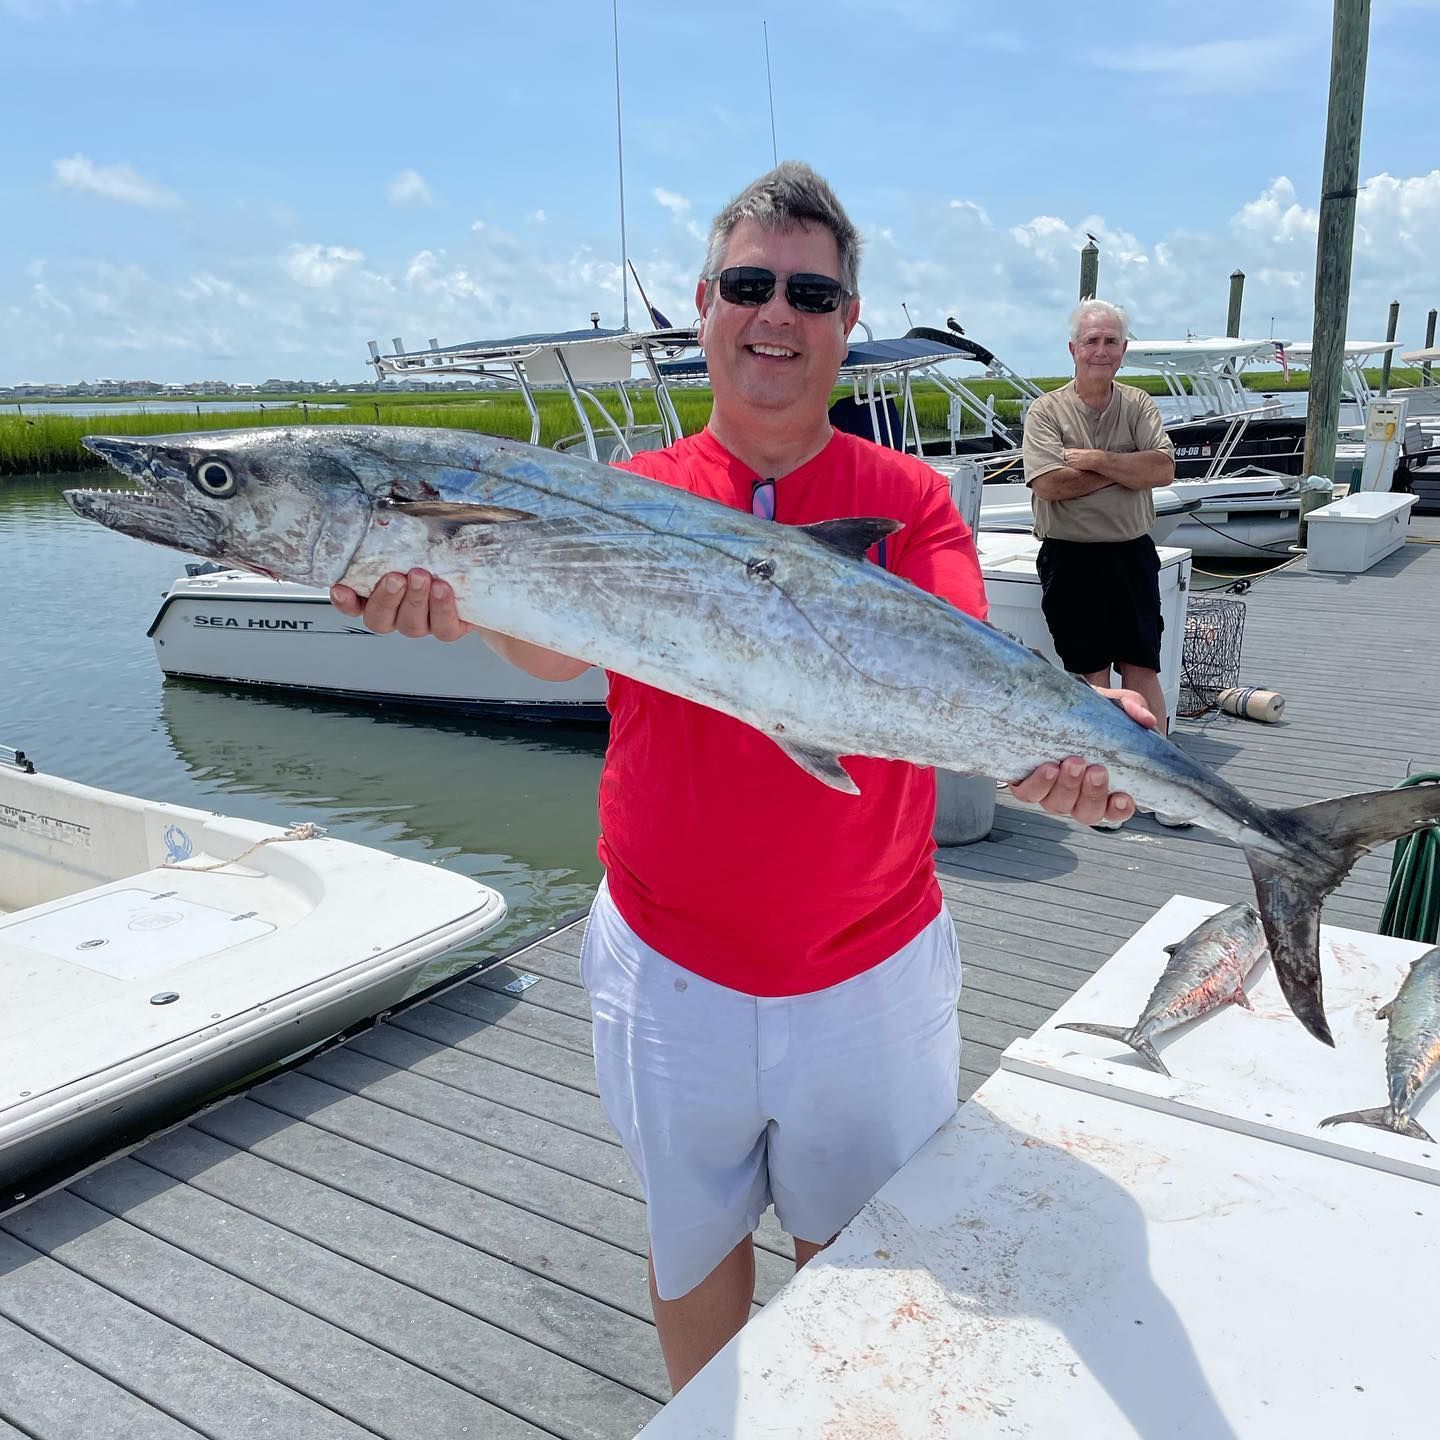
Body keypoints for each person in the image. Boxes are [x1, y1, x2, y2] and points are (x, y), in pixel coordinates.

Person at [331, 164, 1155, 1393]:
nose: (779, 314)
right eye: (751, 285)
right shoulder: (625, 496)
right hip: (667, 971)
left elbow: (941, 679)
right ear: (703, 307)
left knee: (860, 1259)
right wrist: (461, 604)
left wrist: (1063, 752)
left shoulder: (911, 498)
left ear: (848, 319)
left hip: (869, 973)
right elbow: (552, 643)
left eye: (811, 292)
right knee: (693, 1246)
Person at [1022, 298, 1185, 827]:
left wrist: (1091, 461)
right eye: (1091, 341)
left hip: (1131, 554)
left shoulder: (1138, 404)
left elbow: (1162, 468)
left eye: (1111, 341)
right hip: (1070, 560)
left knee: (1142, 668)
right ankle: (1106, 788)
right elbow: (1049, 484)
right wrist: (1125, 469)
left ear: (1123, 350)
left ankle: (1163, 786)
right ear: (1073, 349)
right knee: (1089, 676)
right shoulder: (1047, 412)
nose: (1100, 350)